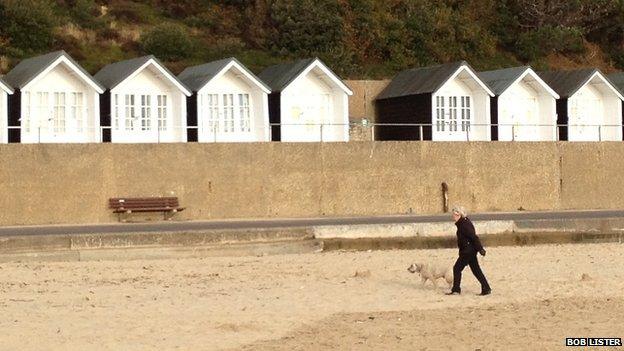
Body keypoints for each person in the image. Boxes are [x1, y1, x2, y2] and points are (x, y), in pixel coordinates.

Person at [446, 206, 491, 296]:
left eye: (454, 215)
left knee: (457, 268)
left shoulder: (464, 224)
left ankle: (456, 290)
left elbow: (473, 237)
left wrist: (480, 249)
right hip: (469, 250)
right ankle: (486, 288)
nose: (453, 217)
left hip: (467, 251)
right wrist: (479, 249)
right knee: (476, 270)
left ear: (459, 215)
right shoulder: (463, 223)